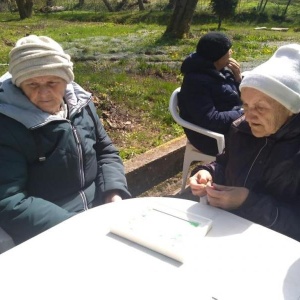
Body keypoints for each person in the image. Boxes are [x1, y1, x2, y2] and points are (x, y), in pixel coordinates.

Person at [0, 35, 131, 245]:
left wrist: (113, 191)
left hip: (99, 209)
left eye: (52, 82)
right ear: (18, 85)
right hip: (50, 230)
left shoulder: (81, 105)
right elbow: (9, 201)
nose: (43, 93)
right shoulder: (7, 125)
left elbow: (105, 151)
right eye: (32, 84)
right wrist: (74, 227)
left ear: (66, 79)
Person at [189, 43, 300, 241]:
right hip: (227, 231)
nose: (248, 117)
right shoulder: (241, 129)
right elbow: (225, 163)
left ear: (291, 108)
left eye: (261, 108)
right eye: (246, 105)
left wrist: (247, 202)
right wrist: (208, 173)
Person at [178, 32, 244, 156]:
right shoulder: (196, 82)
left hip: (232, 126)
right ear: (218, 56)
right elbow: (211, 119)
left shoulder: (221, 71)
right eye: (228, 51)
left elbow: (237, 98)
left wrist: (238, 78)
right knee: (265, 141)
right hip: (210, 138)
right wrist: (244, 112)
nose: (231, 53)